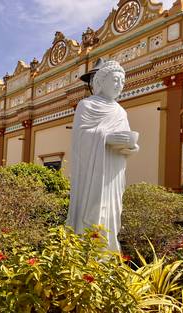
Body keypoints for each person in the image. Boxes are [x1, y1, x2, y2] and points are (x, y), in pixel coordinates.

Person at [67, 60, 139, 252]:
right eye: (115, 80)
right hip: (93, 173)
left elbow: (124, 141)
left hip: (114, 173)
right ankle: (86, 252)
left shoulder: (120, 112)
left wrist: (131, 147)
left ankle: (107, 254)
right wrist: (106, 137)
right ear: (101, 81)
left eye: (122, 82)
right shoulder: (86, 105)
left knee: (112, 213)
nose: (119, 85)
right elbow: (80, 137)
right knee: (94, 209)